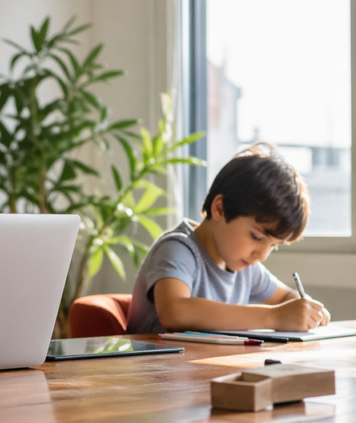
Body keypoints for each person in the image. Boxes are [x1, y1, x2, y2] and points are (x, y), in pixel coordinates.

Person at [126, 143, 331, 334]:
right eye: (256, 236)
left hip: (210, 370)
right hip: (156, 371)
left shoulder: (246, 269)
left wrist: (305, 310)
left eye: (274, 246)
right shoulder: (179, 249)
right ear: (220, 209)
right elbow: (174, 311)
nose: (262, 255)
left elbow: (287, 297)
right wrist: (273, 316)